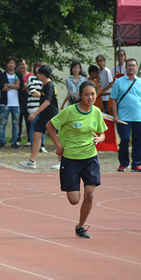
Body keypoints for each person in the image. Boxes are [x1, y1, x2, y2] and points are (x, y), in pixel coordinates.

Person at [46, 81, 108, 238]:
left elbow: (102, 133)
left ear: (96, 95)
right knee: (74, 200)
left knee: (90, 195)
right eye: (86, 94)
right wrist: (59, 145)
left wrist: (99, 139)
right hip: (71, 159)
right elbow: (49, 126)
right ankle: (79, 222)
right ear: (80, 96)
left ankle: (80, 227)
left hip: (90, 158)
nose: (90, 97)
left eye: (92, 94)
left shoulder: (96, 112)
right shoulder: (69, 112)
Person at [110, 58, 141, 172]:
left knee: (139, 140)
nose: (131, 67)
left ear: (137, 68)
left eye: (133, 65)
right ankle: (123, 163)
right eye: (129, 65)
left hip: (139, 117)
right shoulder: (118, 82)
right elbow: (113, 99)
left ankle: (137, 164)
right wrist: (115, 115)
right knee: (124, 139)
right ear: (125, 67)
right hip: (123, 117)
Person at [20, 65, 60, 169]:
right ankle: (31, 161)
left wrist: (35, 113)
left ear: (42, 75)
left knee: (56, 138)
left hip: (51, 116)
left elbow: (47, 102)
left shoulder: (49, 86)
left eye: (38, 73)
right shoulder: (44, 85)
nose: (37, 75)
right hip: (43, 117)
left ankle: (61, 161)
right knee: (36, 136)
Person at [0, 56, 23, 149]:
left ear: (15, 64)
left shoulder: (18, 75)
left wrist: (8, 85)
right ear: (6, 65)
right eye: (9, 63)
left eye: (13, 63)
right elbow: (2, 88)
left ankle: (14, 142)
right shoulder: (3, 74)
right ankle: (2, 142)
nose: (11, 65)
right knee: (2, 123)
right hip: (5, 103)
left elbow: (19, 87)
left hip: (16, 104)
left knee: (16, 123)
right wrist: (13, 85)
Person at [26, 62, 46, 150]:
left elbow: (46, 93)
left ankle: (42, 145)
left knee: (44, 125)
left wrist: (41, 94)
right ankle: (33, 144)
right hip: (33, 106)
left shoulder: (45, 80)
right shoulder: (31, 78)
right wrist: (42, 94)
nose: (39, 69)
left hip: (43, 106)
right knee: (34, 125)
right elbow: (33, 92)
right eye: (37, 67)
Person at [17, 58, 32, 144]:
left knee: (28, 119)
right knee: (18, 119)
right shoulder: (16, 75)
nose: (22, 66)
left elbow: (28, 87)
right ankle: (17, 138)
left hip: (28, 98)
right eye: (20, 64)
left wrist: (20, 86)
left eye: (23, 64)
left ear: (27, 65)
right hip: (18, 98)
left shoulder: (30, 75)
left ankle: (29, 139)